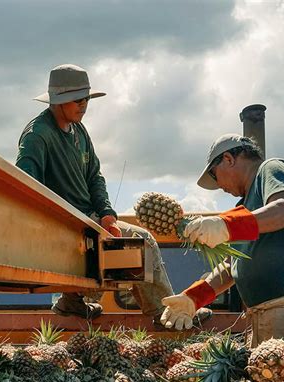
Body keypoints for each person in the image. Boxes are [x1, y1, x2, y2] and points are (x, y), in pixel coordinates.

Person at [16, 64, 174, 320]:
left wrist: (106, 213)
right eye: (78, 99)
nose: (84, 105)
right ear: (59, 100)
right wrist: (51, 222)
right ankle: (163, 313)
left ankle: (73, 302)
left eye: (87, 98)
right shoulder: (37, 135)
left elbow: (95, 176)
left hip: (91, 219)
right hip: (64, 223)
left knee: (128, 246)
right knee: (141, 240)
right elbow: (26, 181)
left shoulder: (79, 130)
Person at [160, 133, 284, 345]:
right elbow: (234, 263)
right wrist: (194, 297)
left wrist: (226, 225)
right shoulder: (246, 207)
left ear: (229, 159)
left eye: (214, 175)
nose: (219, 186)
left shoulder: (272, 169)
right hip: (265, 320)